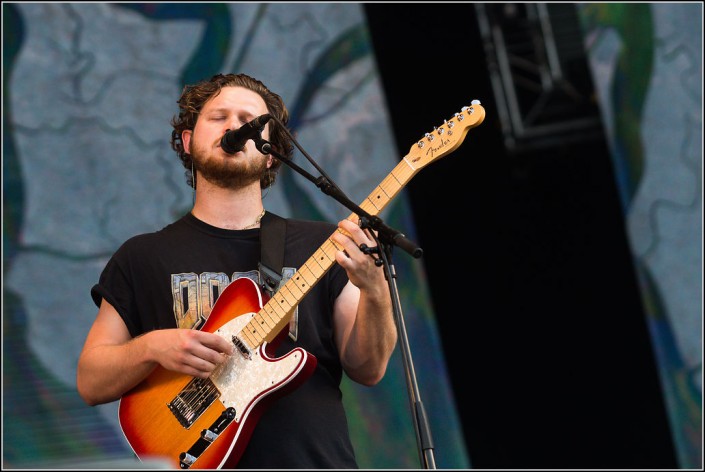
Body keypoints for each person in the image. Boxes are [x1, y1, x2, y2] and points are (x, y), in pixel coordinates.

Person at [76, 73, 397, 469]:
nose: (234, 125)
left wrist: (376, 290)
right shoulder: (142, 255)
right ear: (189, 142)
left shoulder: (326, 244)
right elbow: (91, 381)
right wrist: (153, 347)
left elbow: (369, 368)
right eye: (219, 116)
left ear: (268, 154)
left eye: (248, 119)